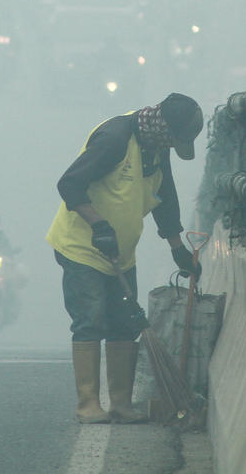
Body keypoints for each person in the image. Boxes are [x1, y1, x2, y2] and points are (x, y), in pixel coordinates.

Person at [46, 93, 204, 424]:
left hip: (121, 252)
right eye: (175, 141)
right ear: (164, 129)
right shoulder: (115, 139)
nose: (173, 147)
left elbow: (165, 198)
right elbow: (70, 184)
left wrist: (178, 249)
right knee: (90, 320)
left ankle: (120, 403)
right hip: (82, 247)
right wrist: (98, 224)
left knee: (123, 324)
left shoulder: (157, 146)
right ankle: (88, 404)